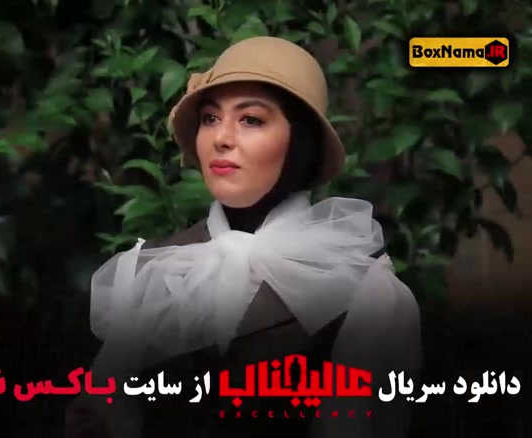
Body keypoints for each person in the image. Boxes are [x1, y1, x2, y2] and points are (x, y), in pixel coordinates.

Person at [66, 36, 422, 438]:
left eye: (251, 119)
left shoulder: (367, 293)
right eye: (210, 118)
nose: (222, 137)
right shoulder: (152, 269)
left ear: (301, 142)